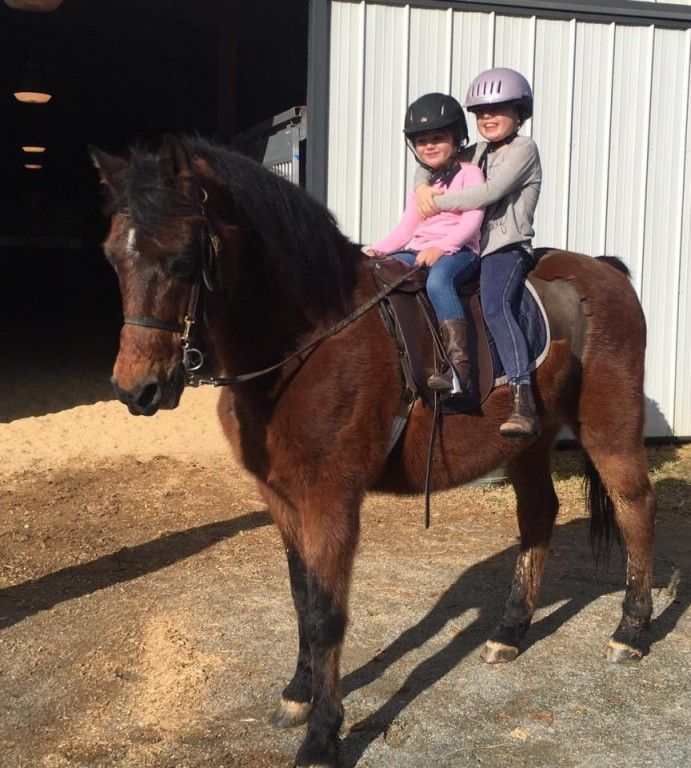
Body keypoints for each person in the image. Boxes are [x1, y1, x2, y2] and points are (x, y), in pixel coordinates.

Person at [413, 68, 542, 437]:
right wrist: (422, 185)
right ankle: (449, 375)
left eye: (498, 110)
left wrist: (435, 202)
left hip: (504, 247)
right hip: (469, 246)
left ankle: (522, 397)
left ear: (519, 113)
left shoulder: (524, 150)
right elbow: (435, 161)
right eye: (481, 112)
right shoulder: (477, 151)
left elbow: (490, 192)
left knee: (495, 307)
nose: (488, 118)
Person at [365, 92, 484, 399]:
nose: (429, 146)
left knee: (439, 282)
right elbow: (406, 228)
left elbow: (473, 219)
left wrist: (442, 248)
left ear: (457, 138)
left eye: (437, 138)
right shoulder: (424, 187)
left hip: (460, 251)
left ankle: (458, 370)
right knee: (380, 273)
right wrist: (376, 250)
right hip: (419, 248)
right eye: (421, 141)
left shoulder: (470, 173)